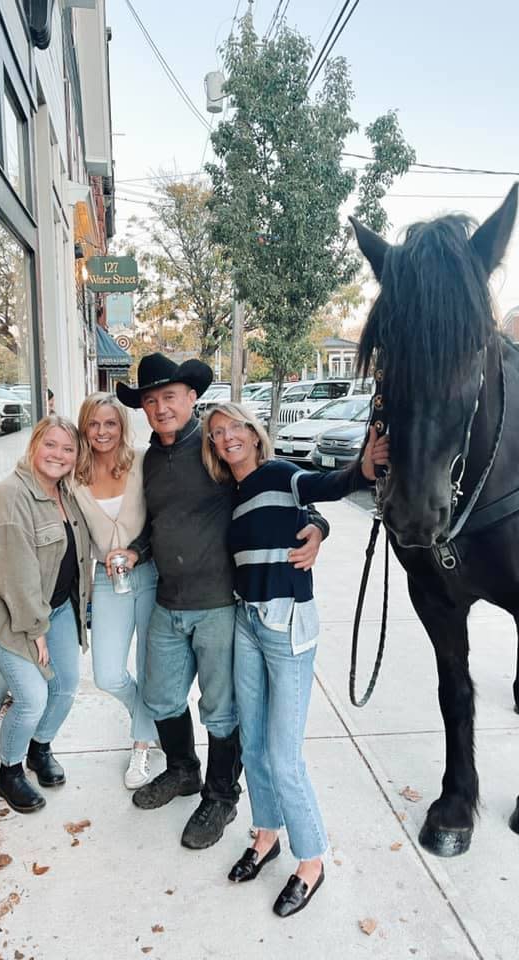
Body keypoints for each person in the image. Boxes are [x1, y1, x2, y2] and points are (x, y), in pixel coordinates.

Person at [113, 353, 329, 851]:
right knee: (162, 697)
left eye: (169, 396)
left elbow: (280, 487)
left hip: (218, 605)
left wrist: (316, 525)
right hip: (169, 601)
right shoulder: (150, 462)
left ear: (191, 398)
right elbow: (158, 525)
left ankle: (221, 795)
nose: (161, 407)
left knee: (220, 709)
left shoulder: (215, 451)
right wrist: (135, 549)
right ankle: (184, 771)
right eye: (150, 400)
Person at [202, 402, 388, 918]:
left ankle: (311, 860)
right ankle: (266, 834)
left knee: (285, 756)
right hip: (246, 622)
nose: (227, 437)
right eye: (217, 433)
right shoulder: (231, 494)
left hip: (286, 626)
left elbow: (323, 488)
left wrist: (364, 469)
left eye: (235, 427)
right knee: (255, 745)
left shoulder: (279, 474)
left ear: (255, 434)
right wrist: (316, 526)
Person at [0, 416, 91, 813]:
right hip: (6, 614)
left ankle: (39, 748)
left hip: (54, 609)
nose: (58, 455)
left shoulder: (64, 493)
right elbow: (13, 574)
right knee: (32, 697)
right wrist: (37, 633)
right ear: (34, 445)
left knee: (66, 686)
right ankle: (10, 772)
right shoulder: (10, 495)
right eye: (50, 445)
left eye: (67, 449)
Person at [74, 392, 157, 789]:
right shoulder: (74, 476)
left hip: (152, 574)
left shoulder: (142, 462)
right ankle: (153, 713)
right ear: (84, 427)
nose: (102, 431)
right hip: (107, 582)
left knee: (147, 664)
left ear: (122, 427)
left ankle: (142, 744)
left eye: (110, 423)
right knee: (108, 674)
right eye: (94, 423)